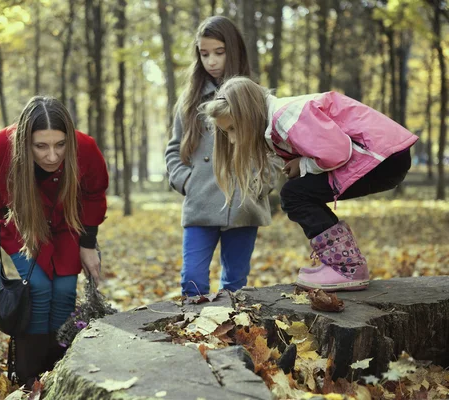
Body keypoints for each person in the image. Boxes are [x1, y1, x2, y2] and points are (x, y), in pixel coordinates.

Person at [203, 76, 418, 291]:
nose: (231, 139)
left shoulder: (286, 117)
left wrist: (304, 165)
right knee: (299, 192)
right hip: (385, 155)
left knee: (294, 195)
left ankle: (346, 266)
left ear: (247, 115)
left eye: (232, 129)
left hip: (378, 154)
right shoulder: (277, 120)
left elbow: (337, 151)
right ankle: (342, 263)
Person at [0, 96, 108, 386]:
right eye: (41, 146)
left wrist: (88, 244)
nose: (52, 156)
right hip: (23, 224)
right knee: (39, 287)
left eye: (60, 145)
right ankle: (27, 375)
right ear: (24, 141)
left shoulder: (85, 148)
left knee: (65, 288)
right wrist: (6, 209)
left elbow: (94, 195)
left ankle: (56, 370)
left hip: (66, 224)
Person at [165, 16, 279, 298]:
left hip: (244, 205)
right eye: (204, 54)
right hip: (200, 201)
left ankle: (228, 337)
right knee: (191, 280)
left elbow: (276, 150)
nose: (212, 61)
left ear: (234, 50)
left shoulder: (258, 98)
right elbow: (173, 150)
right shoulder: (189, 99)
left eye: (219, 52)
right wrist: (187, 182)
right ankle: (193, 335)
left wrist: (258, 185)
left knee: (235, 283)